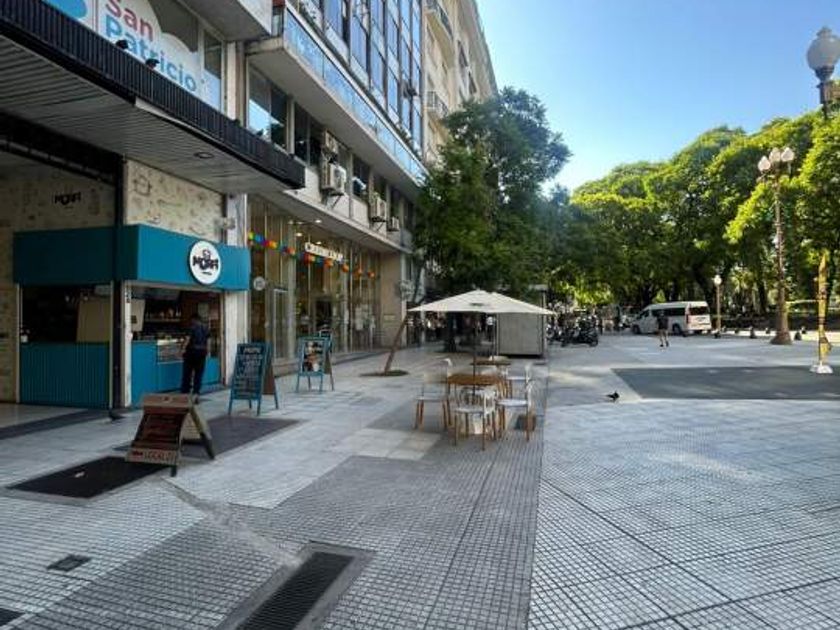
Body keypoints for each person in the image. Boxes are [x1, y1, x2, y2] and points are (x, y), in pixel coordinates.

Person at [181, 313, 209, 402]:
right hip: (202, 353)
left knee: (187, 374)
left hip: (191, 353)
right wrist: (207, 351)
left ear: (193, 319)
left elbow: (187, 339)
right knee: (198, 374)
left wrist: (182, 349)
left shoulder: (191, 327)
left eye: (191, 320)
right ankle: (196, 395)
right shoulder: (205, 328)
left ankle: (185, 394)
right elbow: (208, 341)